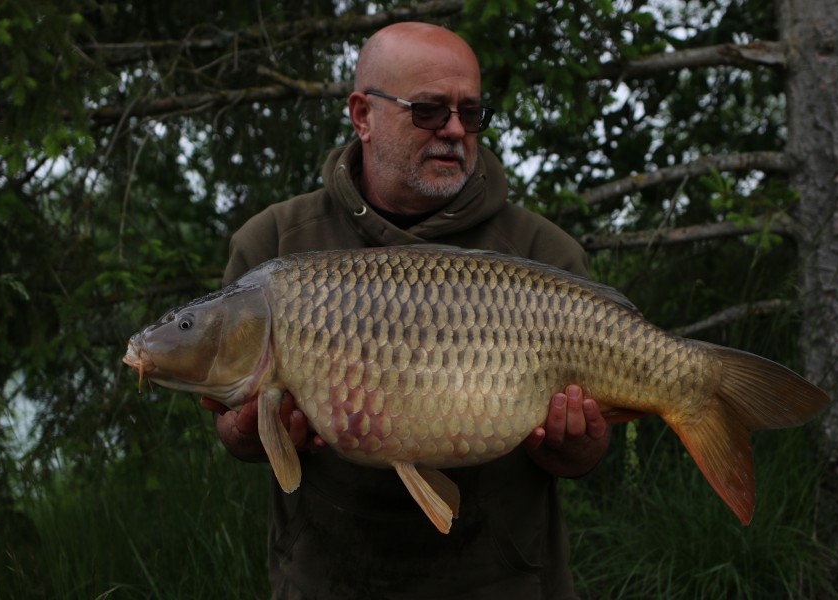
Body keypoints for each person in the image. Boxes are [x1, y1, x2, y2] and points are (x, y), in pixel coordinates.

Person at [200, 22, 610, 600]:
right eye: (428, 111)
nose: (453, 131)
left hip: (502, 579)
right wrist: (250, 432)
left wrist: (578, 445)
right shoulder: (274, 244)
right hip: (326, 578)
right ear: (362, 115)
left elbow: (585, 455)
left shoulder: (543, 254)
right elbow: (233, 433)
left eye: (471, 114)